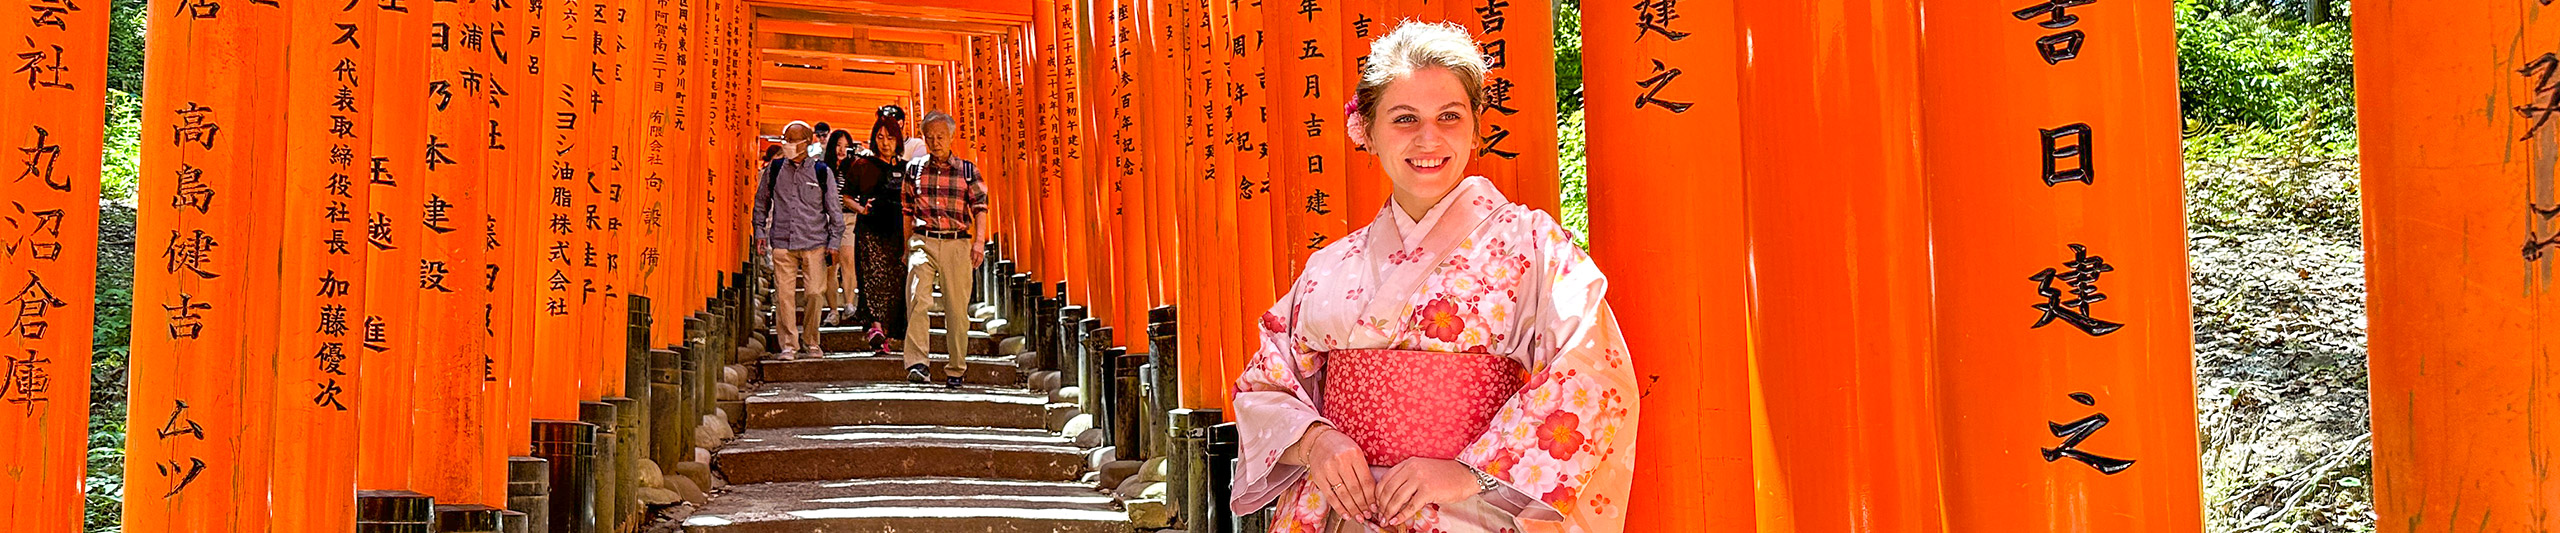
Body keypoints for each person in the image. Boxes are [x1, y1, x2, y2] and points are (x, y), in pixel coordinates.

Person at [1229, 22, 1638, 533]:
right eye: (1405, 119)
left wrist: (1474, 472)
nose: (1429, 138)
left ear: (1475, 126)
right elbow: (1265, 382)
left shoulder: (1533, 246)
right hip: (1342, 512)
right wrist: (1314, 442)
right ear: (1368, 131)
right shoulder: (1329, 266)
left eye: (1450, 116)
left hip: (1474, 512)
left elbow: (1592, 372)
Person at [902, 111, 989, 388]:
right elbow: (906, 210)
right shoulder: (914, 169)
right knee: (918, 297)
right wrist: (907, 246)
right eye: (930, 137)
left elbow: (981, 208)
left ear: (951, 137)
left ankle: (956, 367)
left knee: (956, 309)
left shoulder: (967, 170)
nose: (935, 142)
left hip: (957, 241)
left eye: (941, 136)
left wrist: (979, 242)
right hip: (923, 239)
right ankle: (917, 362)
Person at [751, 121, 843, 360]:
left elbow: (834, 210)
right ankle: (788, 345)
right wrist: (759, 231)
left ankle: (812, 340)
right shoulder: (775, 169)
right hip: (782, 240)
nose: (789, 145)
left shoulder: (822, 172)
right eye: (786, 140)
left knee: (814, 293)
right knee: (784, 295)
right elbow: (761, 202)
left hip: (814, 241)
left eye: (794, 140)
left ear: (807, 141)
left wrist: (835, 243)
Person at [836, 106, 913, 353]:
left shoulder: (907, 167)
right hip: (870, 230)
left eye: (890, 138)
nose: (885, 143)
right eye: (880, 137)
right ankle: (875, 328)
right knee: (871, 280)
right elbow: (846, 197)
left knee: (894, 284)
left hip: (897, 231)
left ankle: (886, 334)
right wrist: (862, 209)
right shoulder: (862, 165)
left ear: (898, 139)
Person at [819, 127, 862, 326]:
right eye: (838, 145)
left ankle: (850, 303)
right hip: (827, 221)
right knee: (830, 266)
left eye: (846, 146)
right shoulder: (822, 168)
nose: (842, 150)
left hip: (849, 218)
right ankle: (833, 309)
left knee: (849, 261)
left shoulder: (854, 167)